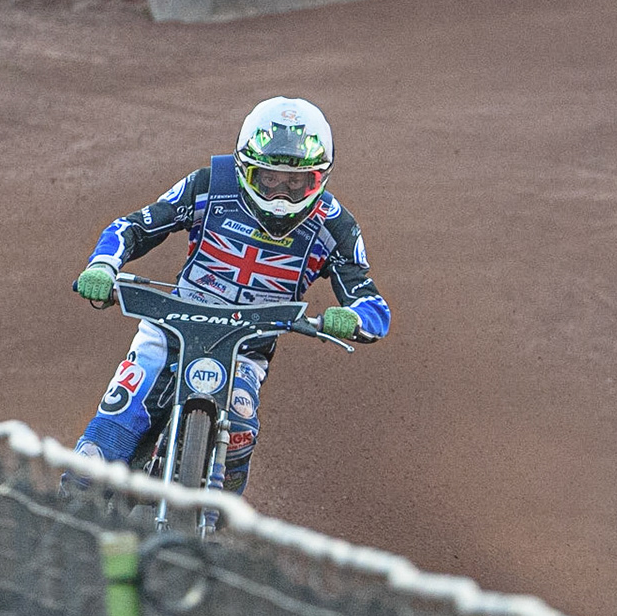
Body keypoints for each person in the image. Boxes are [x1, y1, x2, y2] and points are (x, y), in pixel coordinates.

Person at [69, 96, 390, 494]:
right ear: (244, 169)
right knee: (93, 461)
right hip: (169, 330)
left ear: (319, 178)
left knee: (239, 421)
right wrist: (103, 266)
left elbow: (372, 302)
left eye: (296, 184)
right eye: (268, 179)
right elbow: (132, 226)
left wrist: (353, 318)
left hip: (245, 349)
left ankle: (220, 520)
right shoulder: (211, 185)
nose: (280, 195)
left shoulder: (335, 224)